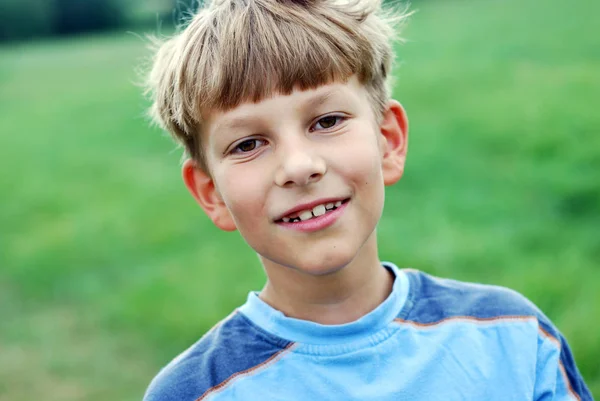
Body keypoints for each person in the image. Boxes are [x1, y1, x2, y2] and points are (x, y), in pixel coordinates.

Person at [142, 0, 592, 399]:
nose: (299, 166)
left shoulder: (513, 339)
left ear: (388, 140)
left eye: (327, 121)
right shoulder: (192, 393)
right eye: (248, 145)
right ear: (211, 194)